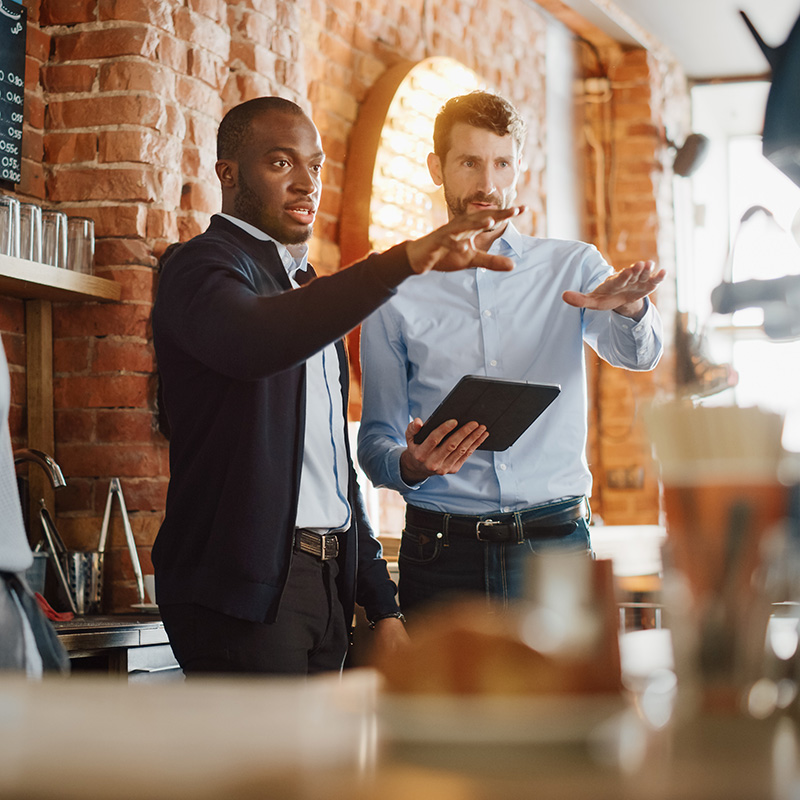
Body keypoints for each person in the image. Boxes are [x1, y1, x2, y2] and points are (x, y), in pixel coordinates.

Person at [151, 96, 522, 675]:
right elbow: (254, 341)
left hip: (325, 589)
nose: (306, 183)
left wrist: (381, 602)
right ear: (227, 173)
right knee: (272, 769)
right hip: (241, 599)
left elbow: (331, 470)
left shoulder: (303, 288)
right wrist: (398, 263)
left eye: (315, 167)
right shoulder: (199, 267)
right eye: (281, 163)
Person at [357, 91, 665, 615]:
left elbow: (640, 356)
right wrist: (409, 464)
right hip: (442, 553)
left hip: (555, 547)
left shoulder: (573, 266)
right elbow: (375, 441)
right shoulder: (396, 284)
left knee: (565, 701)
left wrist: (632, 310)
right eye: (469, 163)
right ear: (437, 168)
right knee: (442, 700)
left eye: (501, 163)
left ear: (518, 166)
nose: (488, 184)